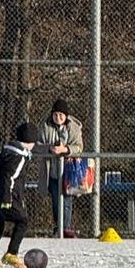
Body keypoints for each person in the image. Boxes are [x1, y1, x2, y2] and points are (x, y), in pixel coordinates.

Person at [0, 123, 39, 268]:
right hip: (7, 196)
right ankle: (11, 253)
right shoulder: (19, 157)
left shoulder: (7, 152)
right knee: (23, 220)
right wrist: (7, 199)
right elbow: (9, 178)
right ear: (31, 142)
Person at [39, 98, 85, 237]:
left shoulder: (73, 128)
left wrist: (65, 149)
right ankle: (58, 226)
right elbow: (38, 145)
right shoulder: (45, 126)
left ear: (66, 116)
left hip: (69, 171)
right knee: (55, 200)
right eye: (55, 114)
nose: (58, 118)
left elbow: (79, 147)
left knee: (67, 199)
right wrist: (50, 148)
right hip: (52, 171)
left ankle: (65, 227)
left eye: (61, 115)